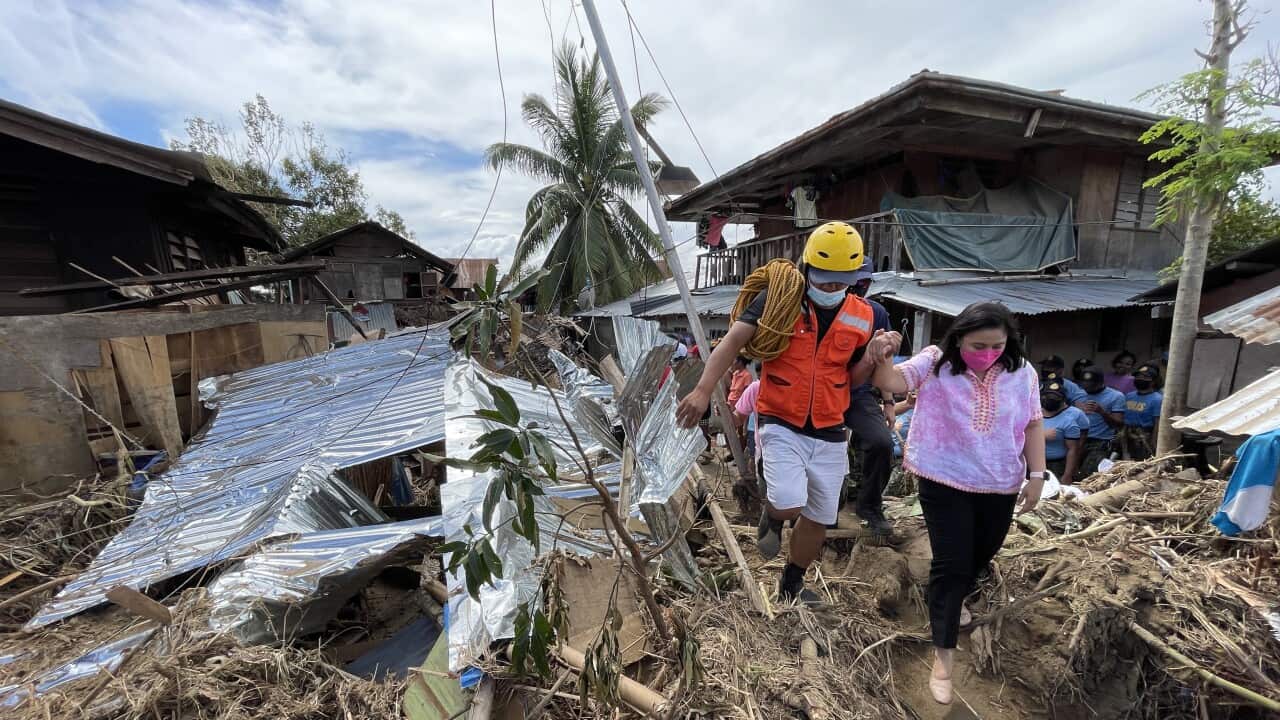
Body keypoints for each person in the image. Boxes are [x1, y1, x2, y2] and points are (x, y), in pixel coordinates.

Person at [676, 221, 896, 604]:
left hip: (830, 426)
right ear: (807, 268)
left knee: (819, 517)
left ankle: (792, 584)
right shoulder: (779, 303)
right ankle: (775, 516)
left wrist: (876, 356)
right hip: (780, 418)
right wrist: (702, 390)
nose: (830, 288)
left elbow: (855, 377)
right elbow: (731, 343)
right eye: (824, 279)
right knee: (789, 502)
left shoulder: (866, 317)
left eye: (839, 281)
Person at [870, 301, 1045, 706]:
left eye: (996, 345)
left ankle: (953, 597)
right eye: (977, 345)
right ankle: (943, 657)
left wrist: (1036, 476)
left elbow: (1033, 422)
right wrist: (884, 355)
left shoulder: (1024, 373)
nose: (986, 354)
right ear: (959, 338)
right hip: (943, 476)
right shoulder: (935, 362)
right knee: (951, 564)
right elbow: (894, 381)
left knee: (983, 552)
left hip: (1000, 482)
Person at [843, 258, 896, 541]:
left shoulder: (877, 314)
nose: (858, 287)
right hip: (820, 390)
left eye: (864, 282)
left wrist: (888, 402)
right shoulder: (820, 308)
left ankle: (870, 506)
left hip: (858, 392)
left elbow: (882, 362)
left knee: (881, 442)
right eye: (854, 280)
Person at [1076, 366, 1126, 475]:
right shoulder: (1078, 394)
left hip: (1100, 442)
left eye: (1091, 385)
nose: (1087, 388)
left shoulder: (1116, 396)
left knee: (1089, 474)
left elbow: (1118, 424)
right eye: (1085, 385)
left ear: (1100, 382)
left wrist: (1101, 412)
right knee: (1073, 473)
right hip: (1077, 439)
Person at [1040, 380, 1086, 484]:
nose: (1050, 400)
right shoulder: (1032, 415)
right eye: (1047, 396)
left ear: (1063, 400)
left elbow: (1072, 450)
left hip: (1057, 465)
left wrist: (1067, 474)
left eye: (1055, 397)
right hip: (1033, 463)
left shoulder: (1069, 421)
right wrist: (1041, 435)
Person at [1119, 363, 1163, 460]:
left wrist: (1154, 443)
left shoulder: (1157, 399)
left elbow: (1157, 423)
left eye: (1144, 377)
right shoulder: (1129, 396)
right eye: (1138, 376)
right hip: (1127, 435)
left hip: (1144, 437)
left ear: (1153, 381)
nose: (1140, 379)